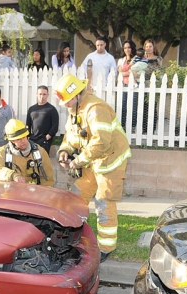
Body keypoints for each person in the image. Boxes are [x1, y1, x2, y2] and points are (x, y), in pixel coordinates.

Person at [54, 74, 131, 263]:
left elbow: (101, 143)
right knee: (76, 196)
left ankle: (106, 248)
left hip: (110, 162)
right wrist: (65, 151)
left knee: (104, 203)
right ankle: (73, 236)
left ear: (77, 94)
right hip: (93, 162)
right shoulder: (76, 109)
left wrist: (78, 161)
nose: (64, 104)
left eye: (67, 99)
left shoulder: (96, 109)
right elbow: (70, 138)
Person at [0, 118, 54, 186]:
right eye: (18, 139)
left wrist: (41, 194)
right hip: (10, 194)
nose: (23, 141)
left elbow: (48, 179)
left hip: (33, 194)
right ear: (11, 141)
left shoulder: (40, 152)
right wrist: (12, 175)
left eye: (24, 137)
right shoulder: (1, 153)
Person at [26, 85, 60, 156]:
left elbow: (55, 126)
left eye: (44, 94)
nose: (42, 96)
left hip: (45, 140)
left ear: (48, 95)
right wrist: (28, 136)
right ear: (37, 94)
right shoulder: (31, 109)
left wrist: (48, 137)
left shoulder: (51, 109)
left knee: (43, 161)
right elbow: (27, 125)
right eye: (40, 94)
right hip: (33, 139)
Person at [141, 39, 163, 133]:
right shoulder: (141, 58)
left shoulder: (158, 59)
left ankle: (152, 129)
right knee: (143, 108)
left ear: (153, 47)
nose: (148, 48)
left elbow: (158, 71)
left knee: (153, 108)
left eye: (150, 46)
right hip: (142, 86)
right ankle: (144, 129)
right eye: (147, 46)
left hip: (154, 86)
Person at [117, 40, 137, 131]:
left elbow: (137, 73)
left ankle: (133, 126)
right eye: (125, 48)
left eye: (129, 47)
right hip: (124, 85)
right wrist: (129, 72)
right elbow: (121, 72)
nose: (127, 49)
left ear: (132, 48)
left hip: (134, 85)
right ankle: (123, 125)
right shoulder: (121, 60)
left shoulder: (137, 59)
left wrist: (128, 72)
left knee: (134, 106)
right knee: (123, 105)